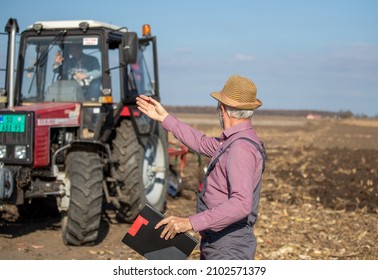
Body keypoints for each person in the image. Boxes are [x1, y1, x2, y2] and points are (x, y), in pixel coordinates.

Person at [136, 75, 267, 260]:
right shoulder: (234, 142)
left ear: (222, 109)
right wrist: (164, 118)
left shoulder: (240, 149)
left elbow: (241, 204)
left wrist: (189, 223)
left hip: (228, 247)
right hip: (218, 242)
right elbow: (201, 142)